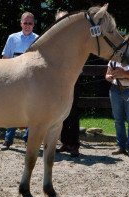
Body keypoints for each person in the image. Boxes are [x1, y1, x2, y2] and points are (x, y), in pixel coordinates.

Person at [0, 11, 39, 150]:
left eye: (30, 23)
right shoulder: (12, 38)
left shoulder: (39, 39)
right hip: (14, 80)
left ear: (33, 24)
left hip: (31, 82)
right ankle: (8, 139)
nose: (27, 25)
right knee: (12, 108)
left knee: (32, 109)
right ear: (21, 23)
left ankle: (28, 139)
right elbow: (5, 58)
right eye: (25, 23)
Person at [105, 34, 129, 157]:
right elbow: (107, 74)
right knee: (118, 120)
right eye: (128, 43)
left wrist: (124, 74)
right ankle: (121, 146)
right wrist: (109, 77)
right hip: (115, 90)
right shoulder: (115, 59)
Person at [53, 10, 81, 157]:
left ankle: (75, 144)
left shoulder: (75, 38)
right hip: (57, 81)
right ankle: (64, 142)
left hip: (72, 79)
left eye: (64, 19)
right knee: (60, 113)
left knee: (73, 112)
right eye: (59, 20)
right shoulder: (53, 38)